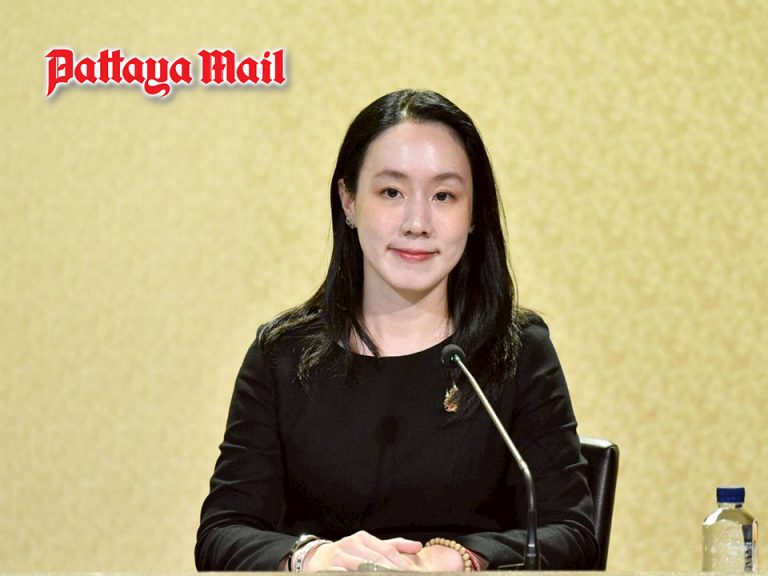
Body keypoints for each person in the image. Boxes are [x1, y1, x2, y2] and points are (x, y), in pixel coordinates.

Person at [195, 89, 598, 571]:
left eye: (444, 196)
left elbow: (573, 533)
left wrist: (462, 557)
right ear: (348, 201)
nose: (417, 223)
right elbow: (222, 533)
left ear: (474, 214)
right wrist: (312, 556)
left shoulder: (516, 350)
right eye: (391, 193)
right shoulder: (282, 355)